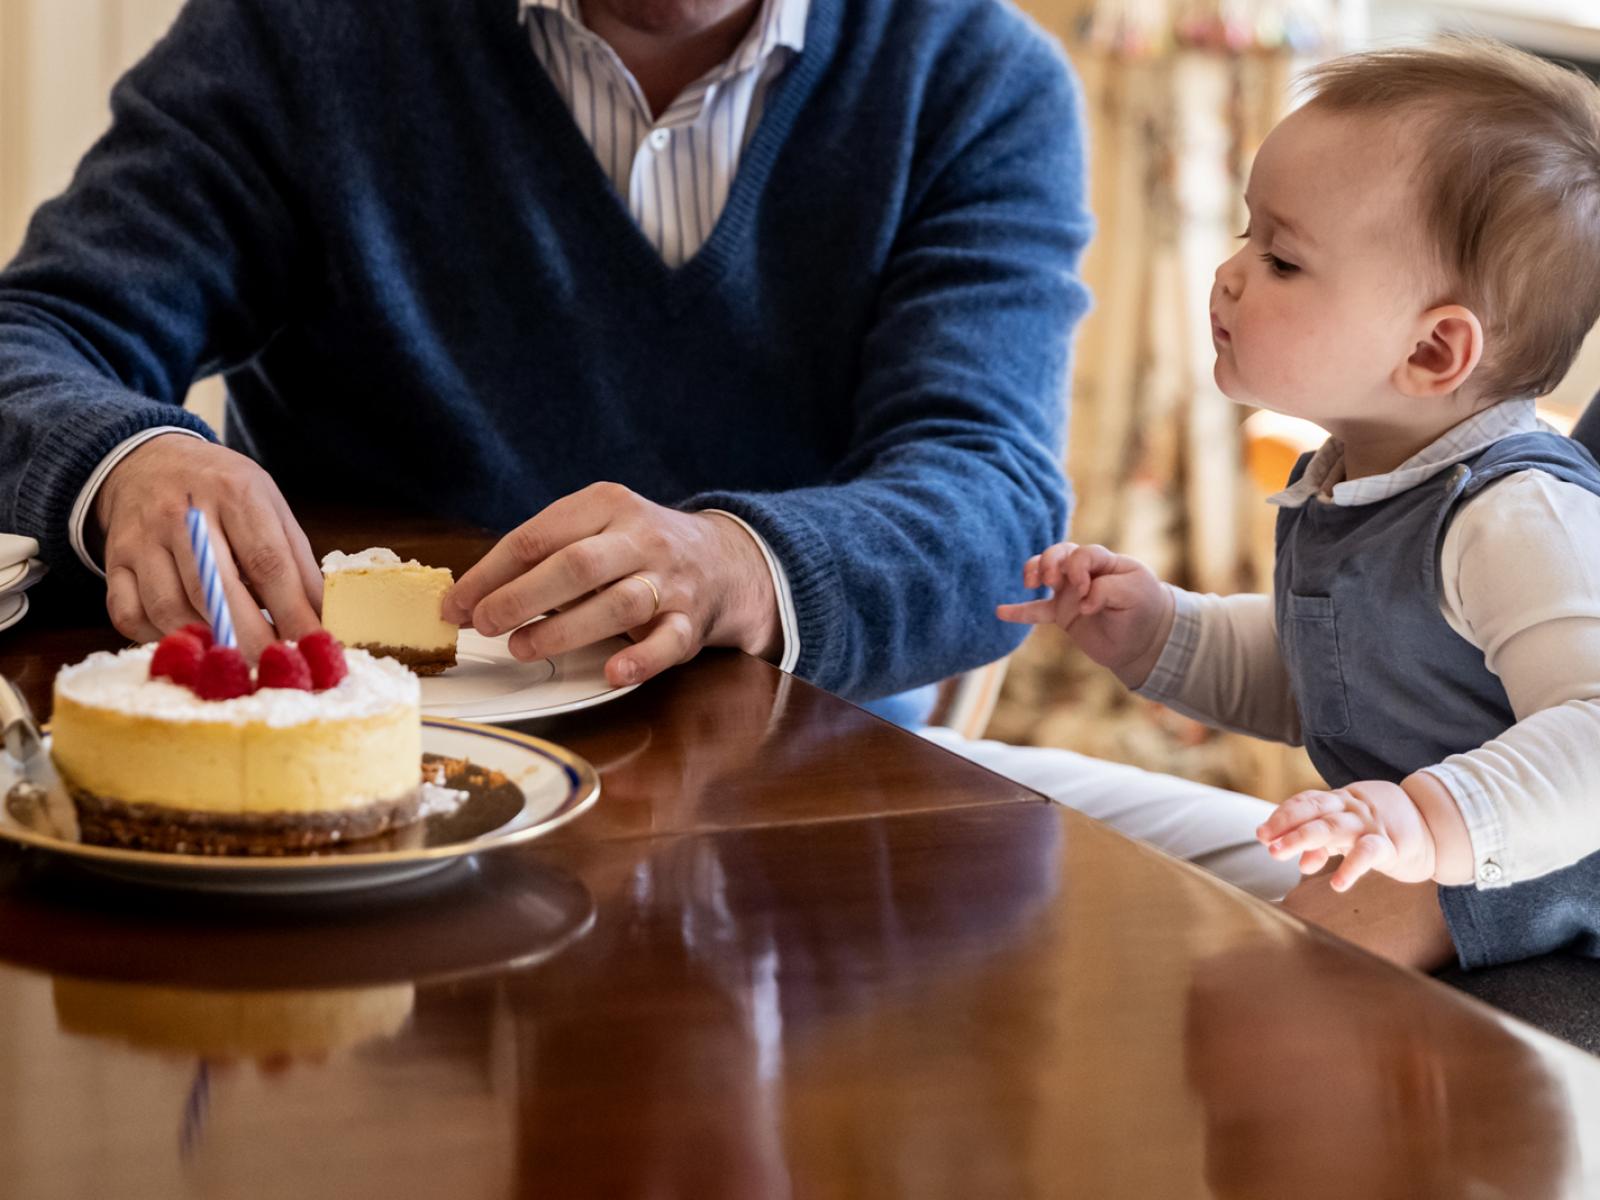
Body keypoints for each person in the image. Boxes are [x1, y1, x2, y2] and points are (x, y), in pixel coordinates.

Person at [0, 0, 1294, 896]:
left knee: (1370, 891)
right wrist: (128, 457)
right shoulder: (301, 40)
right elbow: (37, 330)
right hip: (357, 807)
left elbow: (993, 506)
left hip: (800, 811)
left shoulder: (974, 76)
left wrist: (736, 562)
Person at [1000, 40, 1600, 970]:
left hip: (1553, 855)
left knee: (1311, 946)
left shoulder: (1515, 516)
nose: (1230, 272)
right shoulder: (1359, 480)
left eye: (1280, 259)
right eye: (1247, 233)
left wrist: (1419, 819)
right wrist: (1162, 633)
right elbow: (1335, 677)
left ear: (1434, 353)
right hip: (1434, 842)